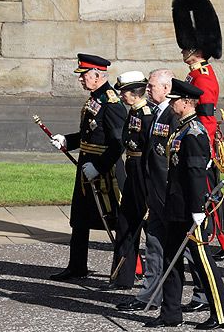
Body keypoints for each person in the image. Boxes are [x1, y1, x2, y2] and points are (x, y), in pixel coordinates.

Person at [144, 79, 224, 330]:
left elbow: (196, 174)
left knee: (203, 262)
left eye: (174, 100)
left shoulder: (193, 133)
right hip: (175, 204)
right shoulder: (182, 129)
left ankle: (221, 314)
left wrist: (197, 209)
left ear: (185, 103)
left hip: (190, 208)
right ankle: (170, 312)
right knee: (171, 258)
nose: (171, 103)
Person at [172, 0, 224, 263]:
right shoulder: (195, 73)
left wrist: (202, 146)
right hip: (201, 137)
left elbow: (206, 117)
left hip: (203, 140)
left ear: (195, 49)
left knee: (209, 194)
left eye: (185, 46)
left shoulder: (201, 77)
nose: (182, 50)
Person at [49, 54, 127, 281]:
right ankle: (77, 266)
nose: (81, 80)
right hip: (87, 166)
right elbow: (89, 134)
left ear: (97, 75)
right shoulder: (95, 98)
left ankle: (127, 269)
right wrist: (67, 141)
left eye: (84, 75)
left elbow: (118, 143)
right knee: (80, 219)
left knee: (117, 220)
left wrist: (99, 167)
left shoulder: (111, 102)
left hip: (106, 171)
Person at [117, 69, 178, 311]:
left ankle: (204, 293)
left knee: (189, 250)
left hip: (169, 194)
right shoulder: (156, 114)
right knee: (154, 243)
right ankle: (149, 295)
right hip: (153, 189)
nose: (147, 89)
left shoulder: (171, 116)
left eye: (151, 86)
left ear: (167, 89)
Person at [107, 71, 154, 291]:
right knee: (124, 224)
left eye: (123, 92)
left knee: (150, 229)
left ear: (134, 94)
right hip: (132, 173)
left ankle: (152, 278)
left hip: (143, 176)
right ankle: (122, 278)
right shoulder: (133, 112)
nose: (121, 96)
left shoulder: (147, 115)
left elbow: (151, 153)